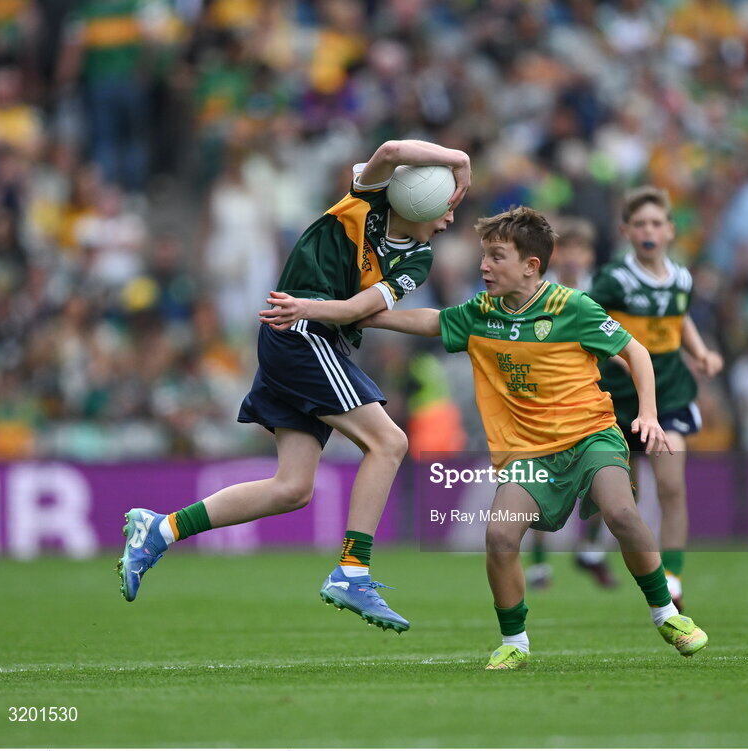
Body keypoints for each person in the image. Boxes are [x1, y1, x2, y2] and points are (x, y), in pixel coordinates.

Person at [118, 139, 472, 634]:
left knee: (293, 488)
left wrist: (312, 307)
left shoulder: (418, 258)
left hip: (309, 331)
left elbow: (359, 311)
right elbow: (392, 150)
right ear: (419, 202)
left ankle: (160, 529)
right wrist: (458, 160)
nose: (452, 216)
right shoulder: (364, 201)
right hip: (301, 336)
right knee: (389, 442)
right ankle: (352, 571)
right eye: (446, 205)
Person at [362, 206, 708, 669]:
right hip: (528, 451)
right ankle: (514, 642)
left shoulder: (573, 307)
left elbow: (636, 351)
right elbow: (431, 320)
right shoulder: (481, 312)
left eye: (496, 256)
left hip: (590, 436)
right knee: (500, 535)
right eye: (484, 255)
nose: (484, 266)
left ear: (530, 265)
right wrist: (366, 316)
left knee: (623, 513)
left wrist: (648, 414)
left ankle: (666, 614)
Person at [590, 187, 723, 611]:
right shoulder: (614, 279)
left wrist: (700, 352)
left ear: (670, 230)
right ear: (626, 231)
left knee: (671, 484)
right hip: (619, 399)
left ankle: (674, 577)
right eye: (640, 224)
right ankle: (601, 552)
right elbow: (587, 323)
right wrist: (621, 360)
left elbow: (679, 320)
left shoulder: (682, 278)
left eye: (656, 223)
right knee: (621, 496)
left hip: (670, 394)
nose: (648, 231)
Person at [527, 217, 618, 590]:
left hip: (594, 396)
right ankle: (539, 565)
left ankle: (590, 549)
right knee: (541, 480)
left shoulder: (601, 293)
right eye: (567, 248)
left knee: (607, 478)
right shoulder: (538, 291)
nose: (573, 256)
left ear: (590, 255)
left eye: (581, 248)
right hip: (545, 398)